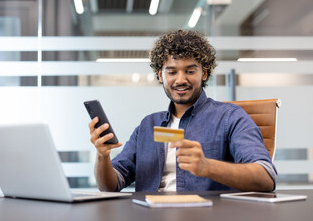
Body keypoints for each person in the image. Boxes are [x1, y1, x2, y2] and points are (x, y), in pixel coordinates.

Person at [88, 30, 277, 192]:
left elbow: (266, 177)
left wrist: (207, 167)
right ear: (160, 76)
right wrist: (102, 156)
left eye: (190, 71)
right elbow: (110, 186)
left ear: (204, 73)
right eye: (171, 71)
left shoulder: (230, 117)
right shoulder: (148, 125)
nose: (180, 79)